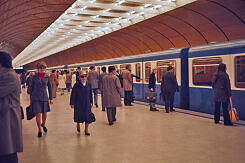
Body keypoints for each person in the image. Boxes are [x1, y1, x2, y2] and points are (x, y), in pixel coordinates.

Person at [0, 51, 23, 163]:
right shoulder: (5, 74)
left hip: (8, 118)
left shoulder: (8, 76)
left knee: (8, 149)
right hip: (4, 117)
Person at [28, 61, 53, 138]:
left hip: (44, 97)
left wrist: (51, 98)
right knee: (38, 114)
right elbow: (30, 90)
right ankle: (39, 130)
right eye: (40, 68)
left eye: (43, 68)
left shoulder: (47, 77)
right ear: (37, 69)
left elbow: (50, 88)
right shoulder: (33, 77)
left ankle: (43, 124)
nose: (42, 69)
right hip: (35, 98)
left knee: (45, 114)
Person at [70, 71, 93, 135]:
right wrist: (72, 103)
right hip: (78, 103)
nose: (84, 78)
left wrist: (91, 102)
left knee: (87, 116)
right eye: (82, 76)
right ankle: (78, 124)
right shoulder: (76, 85)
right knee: (78, 115)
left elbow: (90, 94)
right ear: (79, 77)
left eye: (85, 76)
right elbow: (73, 94)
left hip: (87, 103)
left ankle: (86, 130)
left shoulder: (89, 84)